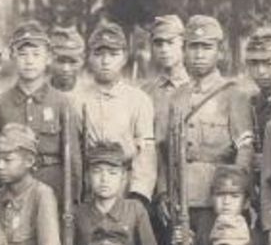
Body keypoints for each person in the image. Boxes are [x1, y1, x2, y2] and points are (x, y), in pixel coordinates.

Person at [159, 15, 255, 245]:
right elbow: (163, 150)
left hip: (217, 203)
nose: (199, 54)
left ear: (219, 52)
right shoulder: (177, 97)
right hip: (180, 202)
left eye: (206, 47)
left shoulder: (234, 96)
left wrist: (235, 196)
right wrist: (163, 192)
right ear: (184, 50)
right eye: (193, 47)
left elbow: (245, 150)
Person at [0, 21, 77, 196]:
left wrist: (74, 203)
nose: (29, 61)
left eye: (36, 54)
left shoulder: (62, 103)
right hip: (11, 192)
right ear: (12, 56)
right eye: (23, 54)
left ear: (48, 58)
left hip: (54, 189)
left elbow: (73, 160)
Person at [73, 140, 170, 245]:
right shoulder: (78, 214)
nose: (104, 179)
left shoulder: (135, 211)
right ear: (88, 176)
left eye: (112, 173)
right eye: (97, 172)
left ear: (123, 177)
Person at [73, 22, 157, 202]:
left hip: (126, 188)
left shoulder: (139, 100)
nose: (105, 61)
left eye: (113, 54)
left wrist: (138, 195)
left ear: (125, 57)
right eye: (99, 54)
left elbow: (146, 154)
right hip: (89, 188)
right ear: (89, 57)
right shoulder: (75, 101)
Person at [143, 14, 190, 125]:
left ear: (182, 44)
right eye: (158, 44)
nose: (164, 49)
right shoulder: (145, 94)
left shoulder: (198, 90)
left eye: (170, 43)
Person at [48, 26, 86, 94]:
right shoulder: (35, 92)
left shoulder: (91, 94)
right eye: (60, 61)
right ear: (49, 59)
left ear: (82, 61)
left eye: (73, 62)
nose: (66, 69)